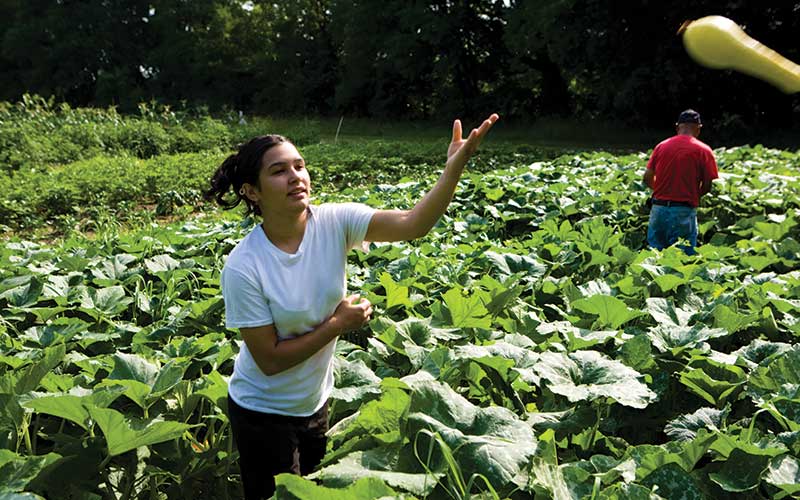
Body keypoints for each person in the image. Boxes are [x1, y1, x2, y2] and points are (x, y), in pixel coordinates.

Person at [204, 113, 499, 499]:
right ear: (252, 192)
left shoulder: (335, 221)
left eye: (300, 165)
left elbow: (413, 223)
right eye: (279, 171)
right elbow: (270, 360)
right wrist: (336, 324)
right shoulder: (244, 266)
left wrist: (452, 169)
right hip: (262, 412)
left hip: (315, 401)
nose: (296, 177)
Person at [642, 109, 718, 254]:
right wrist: (693, 196)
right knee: (682, 258)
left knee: (654, 257)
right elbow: (707, 186)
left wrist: (660, 192)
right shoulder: (704, 150)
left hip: (658, 209)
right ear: (698, 129)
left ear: (677, 127)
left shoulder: (661, 146)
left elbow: (647, 178)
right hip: (683, 210)